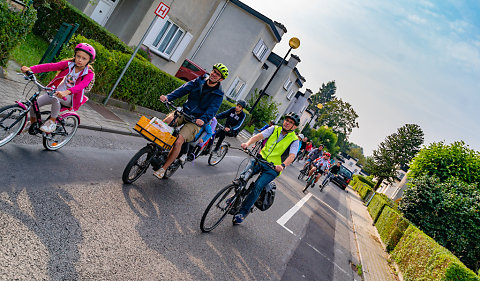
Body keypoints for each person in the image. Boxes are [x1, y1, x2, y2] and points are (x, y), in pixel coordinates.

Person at [154, 63, 228, 179]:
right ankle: (156, 149)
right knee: (165, 122)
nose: (214, 74)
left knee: (179, 141)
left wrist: (203, 120)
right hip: (185, 111)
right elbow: (184, 89)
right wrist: (168, 97)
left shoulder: (218, 94)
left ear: (221, 79)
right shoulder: (200, 80)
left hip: (195, 121)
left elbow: (212, 110)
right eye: (214, 71)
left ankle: (163, 169)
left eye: (218, 74)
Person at [234, 112, 301, 224]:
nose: (287, 123)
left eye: (291, 122)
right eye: (287, 120)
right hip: (261, 159)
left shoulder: (294, 140)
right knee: (242, 177)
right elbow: (259, 136)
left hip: (273, 168)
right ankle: (233, 197)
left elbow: (292, 155)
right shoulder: (274, 129)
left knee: (257, 187)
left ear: (294, 127)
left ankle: (243, 212)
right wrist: (248, 143)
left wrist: (282, 165)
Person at [21, 43, 95, 133]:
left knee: (55, 97)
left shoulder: (89, 74)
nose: (80, 60)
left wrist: (67, 92)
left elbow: (80, 86)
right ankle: (33, 123)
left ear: (89, 61)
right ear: (75, 55)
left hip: (71, 98)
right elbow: (51, 66)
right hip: (57, 92)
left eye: (84, 58)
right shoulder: (69, 64)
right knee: (34, 104)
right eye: (78, 56)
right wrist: (31, 69)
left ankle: (52, 122)